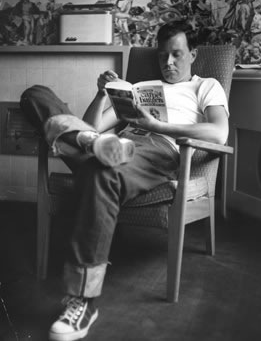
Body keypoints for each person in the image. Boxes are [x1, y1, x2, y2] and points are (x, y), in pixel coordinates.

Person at [20, 19, 229, 341]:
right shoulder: (139, 90)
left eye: (176, 54)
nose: (168, 63)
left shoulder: (206, 86)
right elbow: (93, 124)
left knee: (104, 169)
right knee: (35, 94)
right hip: (110, 145)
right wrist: (101, 94)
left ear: (193, 54)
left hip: (156, 150)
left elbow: (218, 132)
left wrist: (158, 127)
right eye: (162, 55)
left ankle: (84, 301)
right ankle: (94, 147)